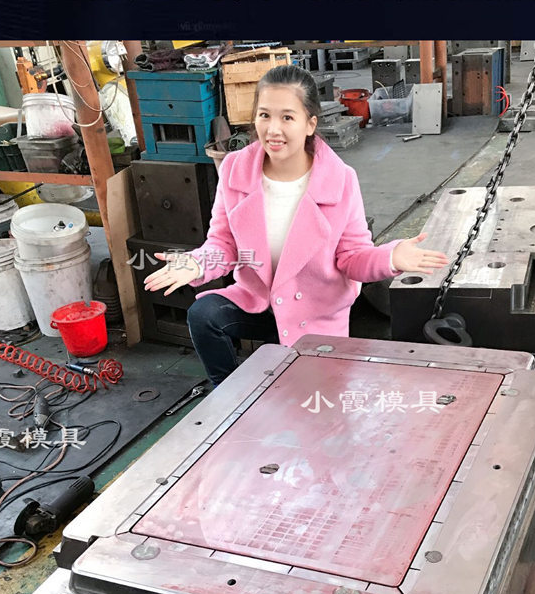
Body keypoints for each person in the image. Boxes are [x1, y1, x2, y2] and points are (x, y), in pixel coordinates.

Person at [144, 65, 449, 385]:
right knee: (205, 315)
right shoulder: (235, 169)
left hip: (314, 315)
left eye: (287, 117)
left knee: (309, 401)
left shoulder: (340, 181)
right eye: (264, 115)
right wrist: (197, 263)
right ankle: (228, 395)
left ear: (310, 123)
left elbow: (352, 257)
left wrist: (390, 257)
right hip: (259, 304)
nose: (273, 129)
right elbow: (225, 244)